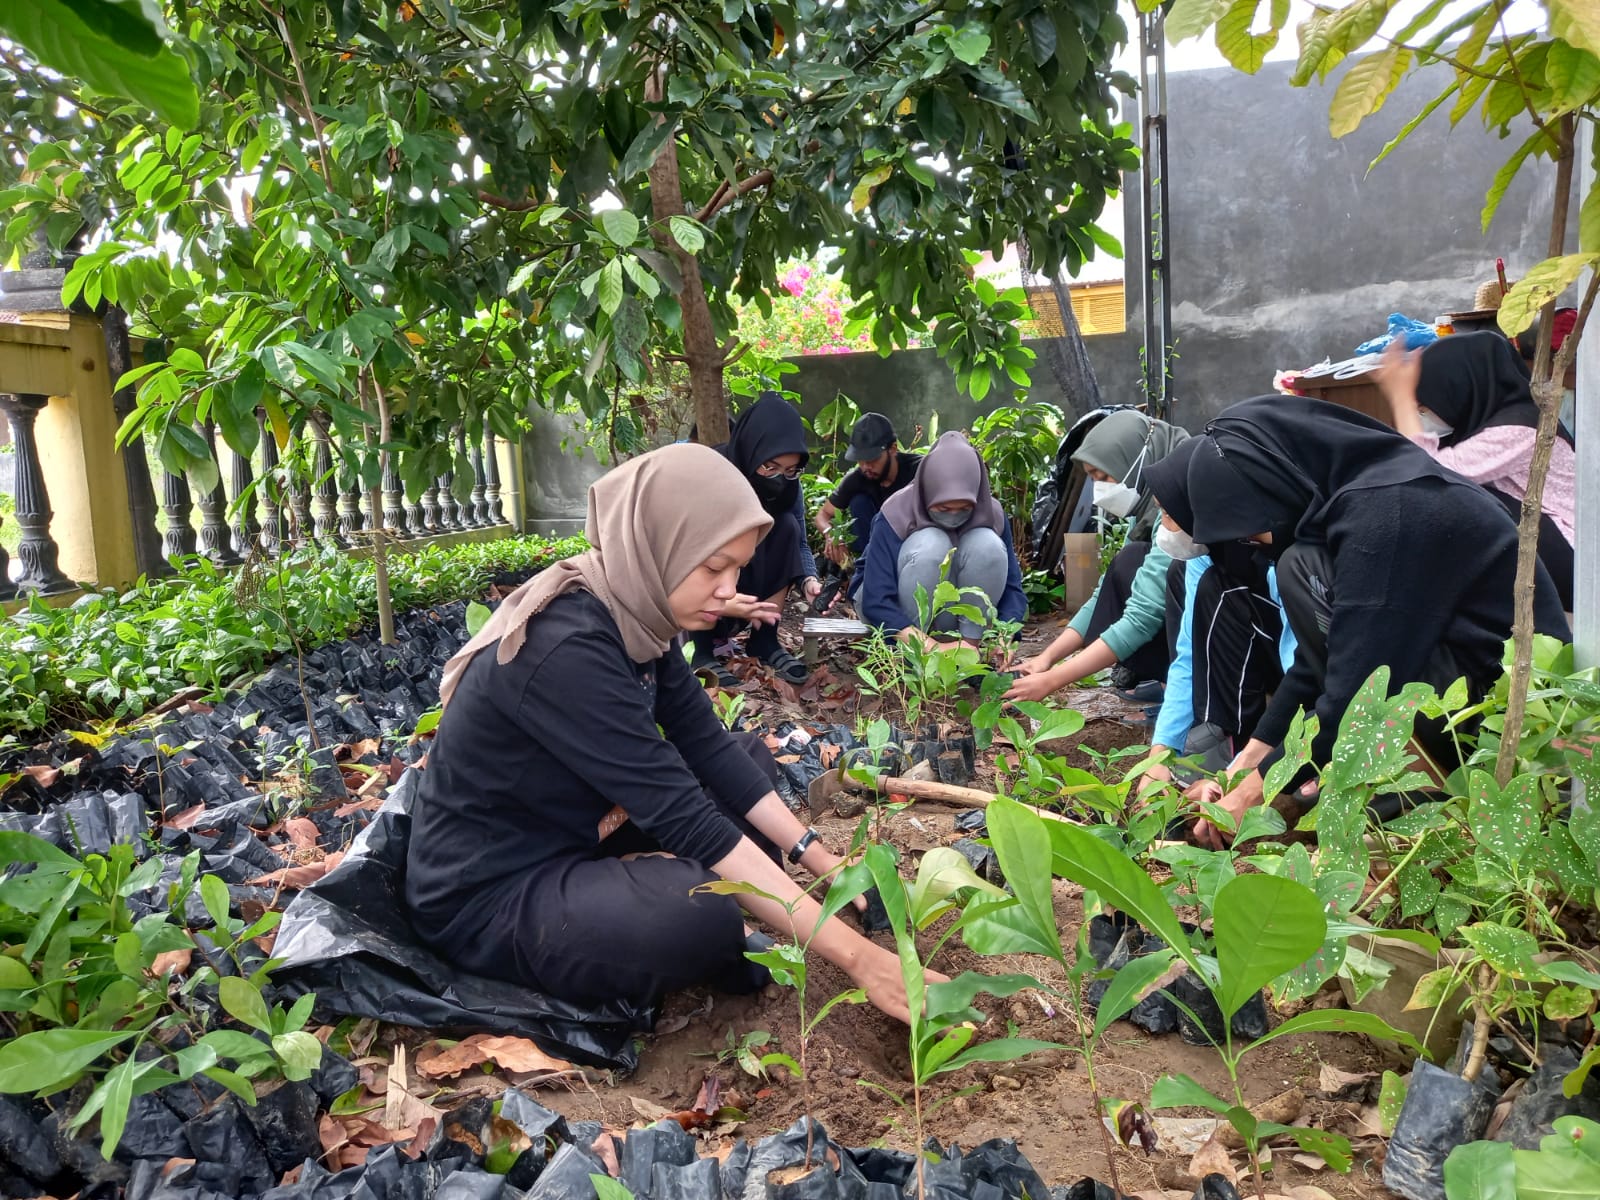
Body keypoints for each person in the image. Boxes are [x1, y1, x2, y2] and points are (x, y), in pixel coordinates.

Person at [405, 443, 917, 1020]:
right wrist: (861, 960)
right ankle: (683, 913)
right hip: (491, 895)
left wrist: (825, 863)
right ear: (657, 548)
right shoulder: (567, 647)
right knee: (701, 916)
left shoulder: (639, 612)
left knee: (746, 758)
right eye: (712, 567)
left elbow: (707, 744)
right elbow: (682, 815)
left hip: (575, 834)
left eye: (738, 567)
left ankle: (677, 890)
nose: (729, 590)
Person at [1180, 395, 1571, 849]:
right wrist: (1250, 759)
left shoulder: (1391, 511)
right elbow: (1323, 661)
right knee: (1301, 566)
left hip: (1500, 719)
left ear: (1272, 483)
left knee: (1299, 568)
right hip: (1456, 680)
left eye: (1248, 528)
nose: (1250, 543)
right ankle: (1380, 788)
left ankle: (1414, 801)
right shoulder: (1366, 497)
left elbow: (1359, 690)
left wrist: (1258, 789)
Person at [1137, 438, 1296, 790]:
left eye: (1169, 512)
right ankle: (1213, 733)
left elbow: (1304, 664)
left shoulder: (1284, 556)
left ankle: (1233, 743)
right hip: (1276, 655)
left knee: (1221, 590)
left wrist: (1260, 763)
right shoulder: (1208, 553)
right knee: (1192, 578)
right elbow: (1189, 651)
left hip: (1301, 672)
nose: (1165, 526)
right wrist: (1161, 751)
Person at [1377, 330, 1576, 609]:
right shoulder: (1500, 420)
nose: (1421, 414)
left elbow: (1429, 471)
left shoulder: (1519, 429)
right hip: (1556, 545)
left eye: (1424, 406)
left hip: (1574, 557)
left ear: (1462, 390)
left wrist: (1400, 399)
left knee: (1456, 499)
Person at [1006, 410, 1189, 703]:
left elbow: (1143, 614)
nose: (1100, 489)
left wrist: (1053, 680)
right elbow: (1105, 591)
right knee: (1127, 565)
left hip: (1226, 629)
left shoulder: (1176, 506)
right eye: (1094, 479)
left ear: (1133, 459)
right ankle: (1171, 680)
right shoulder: (1147, 504)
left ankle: (1184, 687)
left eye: (1104, 476)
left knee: (1130, 562)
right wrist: (1047, 658)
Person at [686, 393, 820, 687]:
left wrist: (809, 579)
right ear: (751, 451)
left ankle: (764, 641)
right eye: (769, 467)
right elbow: (685, 550)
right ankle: (701, 650)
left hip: (751, 586)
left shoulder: (789, 485)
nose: (778, 479)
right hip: (695, 593)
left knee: (784, 524)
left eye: (789, 470)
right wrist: (720, 599)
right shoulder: (714, 472)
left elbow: (797, 537)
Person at [859, 431, 1026, 645]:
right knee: (932, 544)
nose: (953, 515)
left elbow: (1013, 588)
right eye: (943, 507)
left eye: (965, 508)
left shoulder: (992, 514)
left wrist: (1005, 636)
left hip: (954, 618)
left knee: (988, 546)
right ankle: (915, 655)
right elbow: (876, 599)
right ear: (928, 492)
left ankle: (969, 648)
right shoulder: (896, 512)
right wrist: (929, 649)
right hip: (898, 620)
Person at [814, 412, 923, 605]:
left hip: (915, 546)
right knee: (859, 502)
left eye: (872, 460)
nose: (865, 467)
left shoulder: (920, 469)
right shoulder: (858, 478)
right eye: (860, 460)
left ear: (893, 449)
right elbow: (822, 515)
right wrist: (831, 534)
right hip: (874, 549)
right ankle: (867, 578)